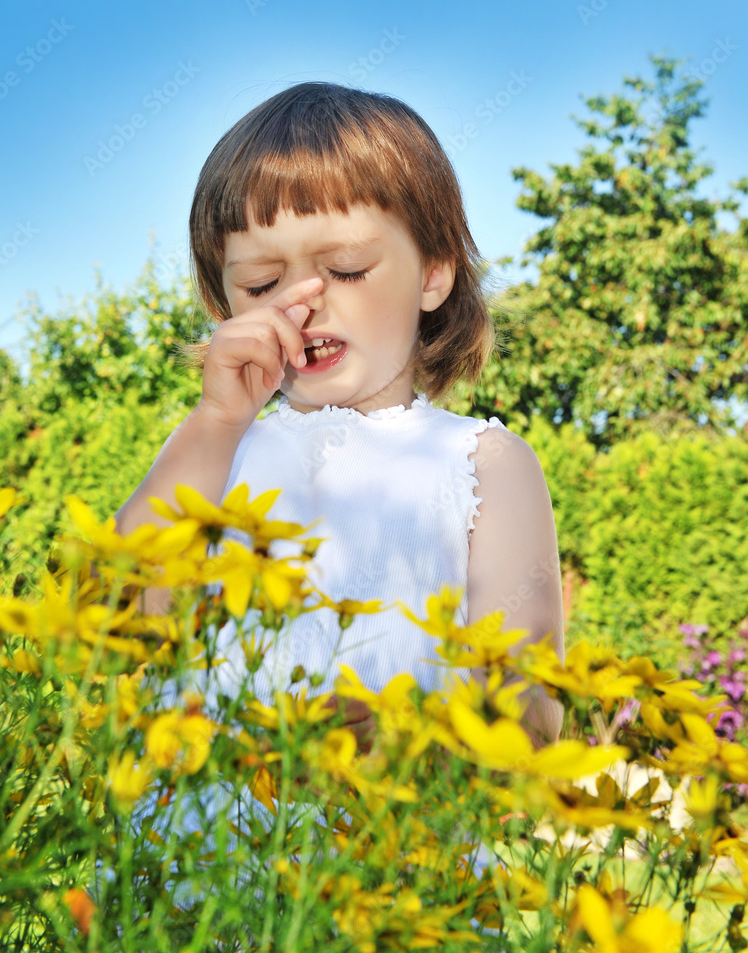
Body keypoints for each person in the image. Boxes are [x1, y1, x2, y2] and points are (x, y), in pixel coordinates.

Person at [110, 83, 565, 927]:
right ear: (221, 305)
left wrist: (402, 737)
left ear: (433, 272)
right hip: (203, 860)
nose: (301, 300)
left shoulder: (481, 460)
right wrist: (213, 422)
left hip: (399, 866)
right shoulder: (218, 445)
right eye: (258, 282)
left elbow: (529, 693)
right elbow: (126, 608)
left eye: (346, 269)